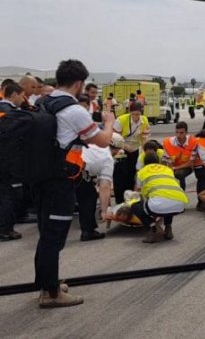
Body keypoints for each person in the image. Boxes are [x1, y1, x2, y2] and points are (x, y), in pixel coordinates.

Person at [34, 59, 115, 307]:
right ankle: (51, 295)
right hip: (60, 181)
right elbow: (101, 141)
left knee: (46, 233)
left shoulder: (43, 102)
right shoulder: (74, 110)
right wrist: (109, 122)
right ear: (79, 83)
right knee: (55, 236)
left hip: (40, 177)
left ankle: (48, 284)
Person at [134, 151, 190, 243]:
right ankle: (168, 228)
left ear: (144, 162)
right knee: (168, 201)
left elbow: (139, 191)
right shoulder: (167, 169)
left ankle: (152, 228)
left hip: (157, 206)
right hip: (180, 204)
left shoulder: (142, 172)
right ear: (158, 161)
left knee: (135, 206)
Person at [0, 82, 26, 241]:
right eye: (22, 96)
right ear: (14, 94)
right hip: (8, 160)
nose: (23, 99)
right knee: (9, 195)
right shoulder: (11, 114)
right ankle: (6, 229)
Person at [112, 101, 150, 197]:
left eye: (138, 114)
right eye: (134, 114)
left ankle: (129, 195)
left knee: (132, 172)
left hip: (135, 149)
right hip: (121, 148)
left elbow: (145, 136)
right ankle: (119, 197)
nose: (136, 117)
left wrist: (145, 149)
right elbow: (114, 137)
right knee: (120, 172)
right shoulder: (121, 120)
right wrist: (124, 146)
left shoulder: (144, 120)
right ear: (130, 112)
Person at [162, 121, 198, 190]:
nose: (178, 135)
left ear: (186, 132)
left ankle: (181, 194)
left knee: (179, 174)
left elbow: (191, 162)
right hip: (173, 166)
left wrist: (176, 168)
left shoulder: (193, 142)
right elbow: (165, 160)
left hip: (188, 166)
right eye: (177, 132)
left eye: (181, 133)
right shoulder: (168, 142)